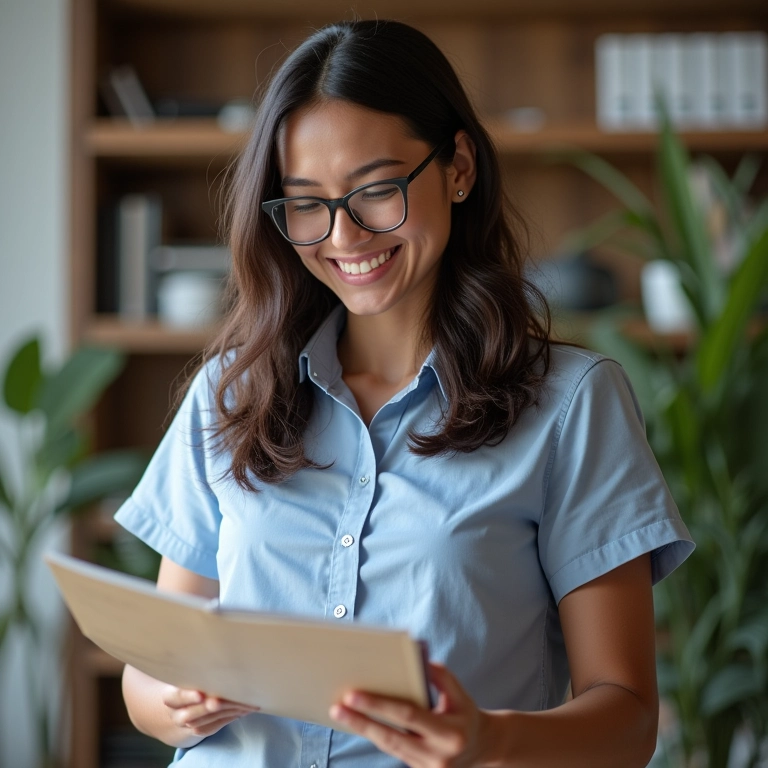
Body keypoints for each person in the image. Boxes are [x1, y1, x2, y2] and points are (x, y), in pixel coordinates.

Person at [116, 18, 694, 768]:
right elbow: (147, 679)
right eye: (305, 203)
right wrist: (177, 701)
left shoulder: (571, 404)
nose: (344, 236)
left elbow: (627, 720)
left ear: (457, 167)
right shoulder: (230, 394)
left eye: (376, 191)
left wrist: (490, 740)